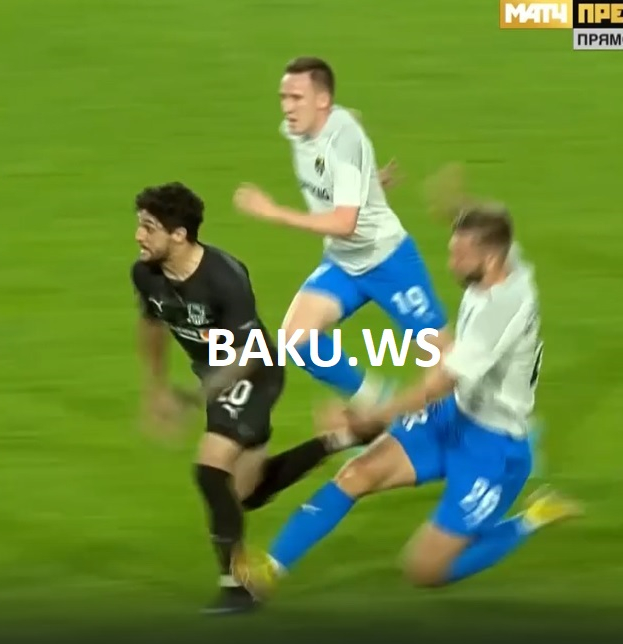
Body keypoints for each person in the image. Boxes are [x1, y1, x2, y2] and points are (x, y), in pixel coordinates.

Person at [231, 167, 581, 597]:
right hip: (455, 417)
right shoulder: (506, 261)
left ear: (489, 259)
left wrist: (371, 418)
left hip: (494, 449)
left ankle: (534, 517)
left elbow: (437, 385)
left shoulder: (501, 311)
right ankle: (270, 569)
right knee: (358, 473)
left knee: (424, 571)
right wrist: (455, 205)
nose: (450, 264)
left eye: (460, 256)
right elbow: (494, 228)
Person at [131, 181, 377, 615]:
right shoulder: (146, 274)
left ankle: (236, 586)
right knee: (245, 493)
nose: (139, 236)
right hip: (215, 375)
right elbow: (152, 325)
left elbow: (248, 354)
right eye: (139, 225)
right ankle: (342, 438)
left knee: (210, 471)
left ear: (179, 234)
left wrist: (194, 397)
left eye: (149, 227)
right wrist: (156, 388)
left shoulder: (224, 277)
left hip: (255, 370)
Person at [233, 55, 451, 409]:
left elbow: (344, 224)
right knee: (297, 340)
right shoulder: (299, 128)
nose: (287, 108)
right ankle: (380, 406)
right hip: (344, 262)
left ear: (322, 100)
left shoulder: (344, 142)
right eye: (283, 97)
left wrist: (274, 212)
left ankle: (494, 424)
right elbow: (351, 120)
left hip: (387, 258)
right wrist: (368, 181)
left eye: (297, 98)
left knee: (444, 362)